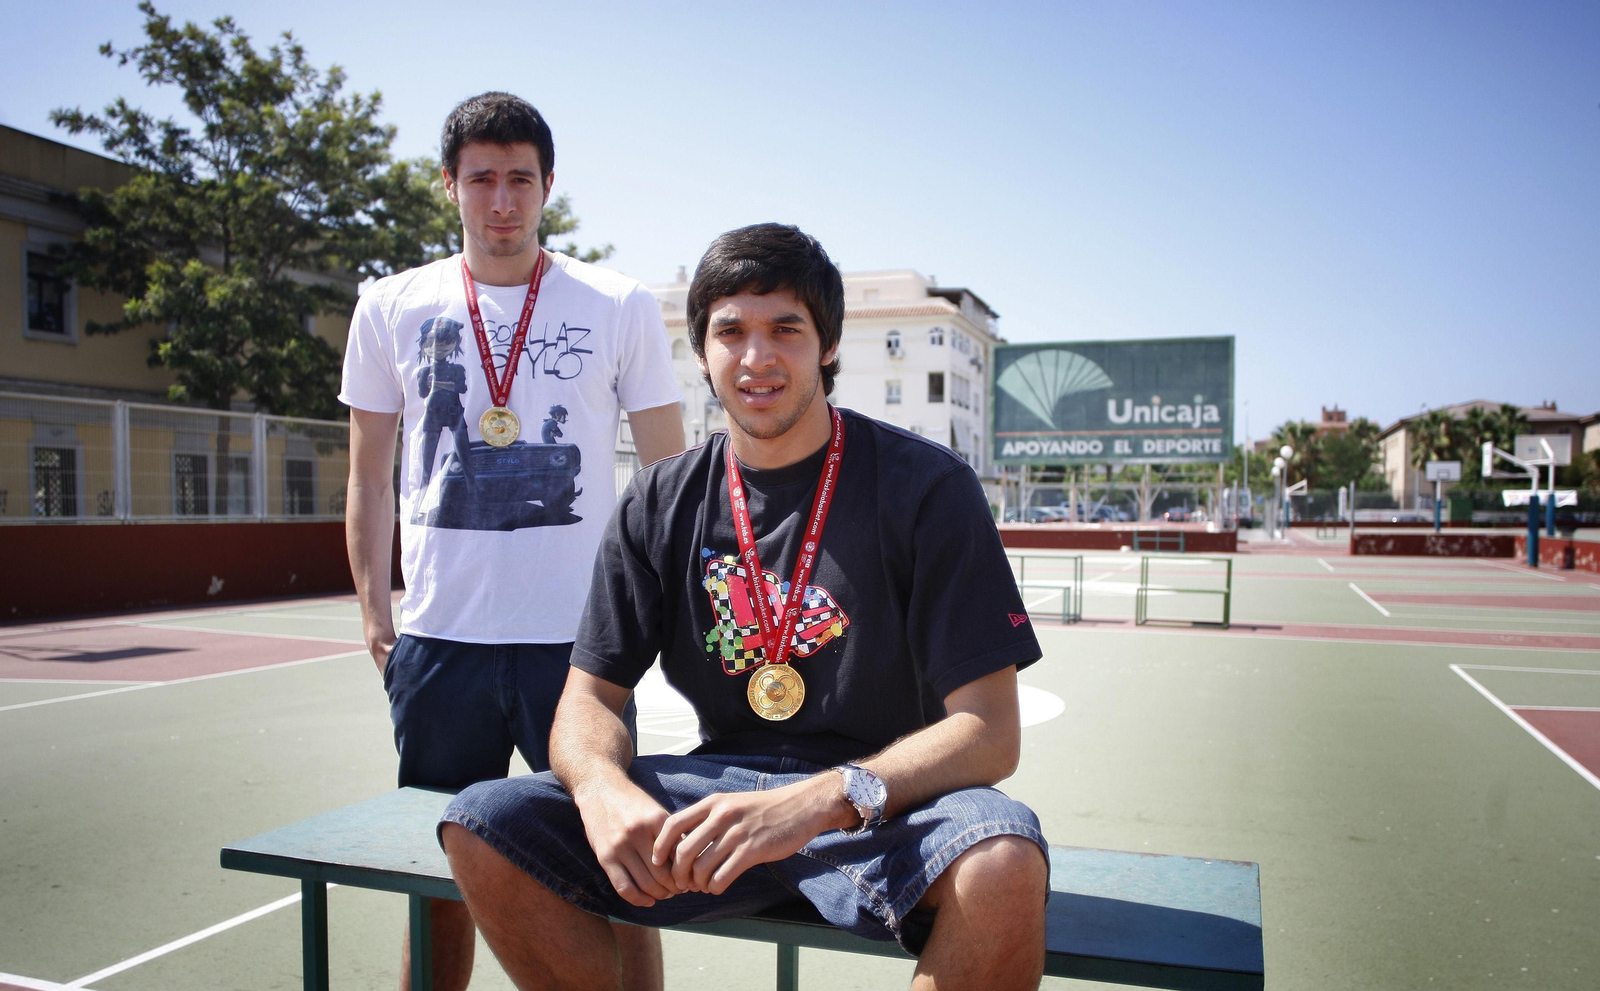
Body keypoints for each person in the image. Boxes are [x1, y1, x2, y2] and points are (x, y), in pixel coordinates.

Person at [439, 223, 1050, 991]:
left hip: (878, 803)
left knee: (1002, 857)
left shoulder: (927, 487)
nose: (756, 357)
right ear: (702, 353)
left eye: (785, 330)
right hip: (719, 793)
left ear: (828, 347)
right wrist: (601, 789)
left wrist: (821, 800)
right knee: (484, 823)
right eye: (730, 331)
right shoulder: (659, 499)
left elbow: (991, 733)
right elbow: (587, 700)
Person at [340, 92, 684, 991]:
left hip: (581, 652)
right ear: (449, 185)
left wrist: (655, 616)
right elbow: (369, 477)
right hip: (441, 640)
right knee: (438, 869)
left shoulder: (617, 304)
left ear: (548, 187)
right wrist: (379, 616)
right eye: (482, 178)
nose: (502, 200)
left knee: (624, 861)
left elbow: (667, 477)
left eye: (519, 179)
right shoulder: (389, 304)